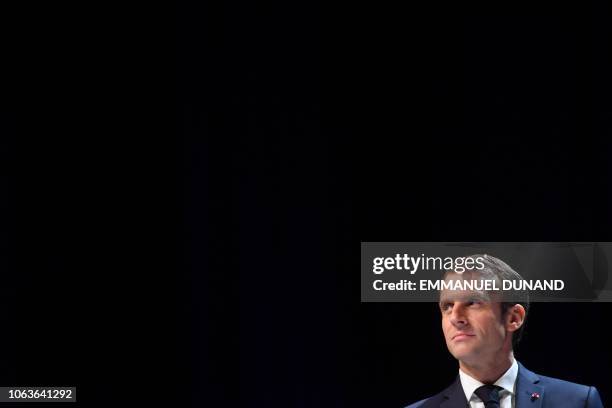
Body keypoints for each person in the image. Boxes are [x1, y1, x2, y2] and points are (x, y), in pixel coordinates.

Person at [407, 254, 604, 408]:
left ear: (513, 318)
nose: (455, 317)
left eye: (473, 302)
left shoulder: (578, 402)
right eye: (447, 306)